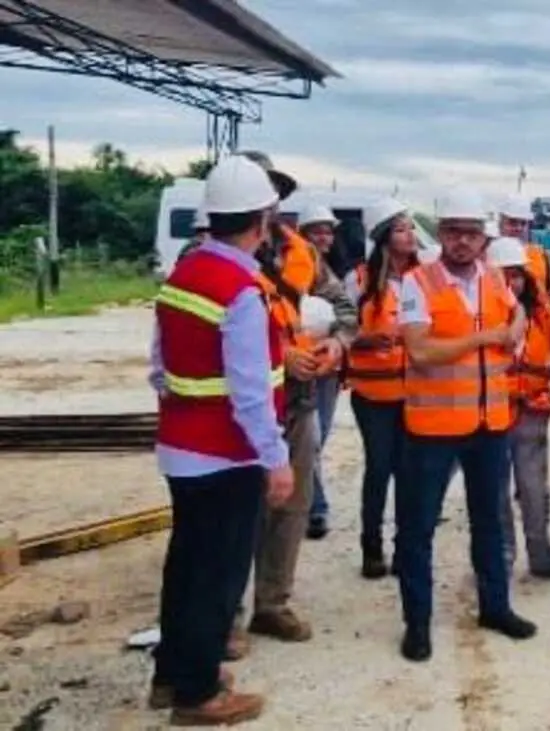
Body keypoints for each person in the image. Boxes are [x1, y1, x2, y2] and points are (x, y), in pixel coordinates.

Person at [147, 155, 291, 726]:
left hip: (180, 450)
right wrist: (276, 460)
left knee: (186, 566)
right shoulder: (241, 291)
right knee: (218, 574)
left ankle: (173, 671)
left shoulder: (182, 276)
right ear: (262, 220)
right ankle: (199, 694)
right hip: (225, 456)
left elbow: (159, 367)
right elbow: (251, 392)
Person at [396, 186, 538, 662]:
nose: (462, 241)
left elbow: (516, 315)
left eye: (471, 233)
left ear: (483, 239)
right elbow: (419, 349)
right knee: (417, 529)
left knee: (489, 525)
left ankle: (495, 607)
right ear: (441, 233)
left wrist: (515, 324)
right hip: (433, 428)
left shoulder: (494, 279)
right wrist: (488, 336)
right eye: (454, 232)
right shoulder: (419, 282)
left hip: (488, 423)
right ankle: (416, 624)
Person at [226, 150, 357, 657]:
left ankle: (271, 603)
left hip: (297, 403)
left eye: (275, 191)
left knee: (293, 506)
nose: (270, 201)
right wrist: (284, 353)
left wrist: (335, 346)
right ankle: (225, 615)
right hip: (236, 412)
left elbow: (343, 306)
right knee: (239, 512)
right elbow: (210, 331)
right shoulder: (209, 254)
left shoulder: (301, 252)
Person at [343, 198, 417, 578]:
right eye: (403, 228)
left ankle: (406, 548)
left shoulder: (426, 278)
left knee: (409, 472)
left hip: (415, 394)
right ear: (386, 237)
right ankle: (372, 546)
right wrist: (365, 341)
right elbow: (340, 330)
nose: (412, 234)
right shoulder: (358, 280)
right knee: (380, 468)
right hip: (372, 396)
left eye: (412, 227)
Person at [487, 236, 550, 578]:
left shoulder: (544, 315)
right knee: (497, 488)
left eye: (516, 274)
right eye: (502, 274)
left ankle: (540, 553)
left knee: (533, 487)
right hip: (492, 413)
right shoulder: (479, 315)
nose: (510, 282)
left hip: (532, 412)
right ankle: (502, 555)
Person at [298, 204, 343, 541]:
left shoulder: (330, 268)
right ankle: (315, 508)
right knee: (309, 439)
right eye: (317, 231)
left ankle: (312, 505)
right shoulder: (289, 264)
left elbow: (346, 310)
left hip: (326, 367)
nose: (324, 237)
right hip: (295, 365)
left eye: (328, 231)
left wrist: (339, 340)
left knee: (317, 438)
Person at [498, 192, 550, 296]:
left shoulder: (540, 255)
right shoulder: (489, 256)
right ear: (500, 223)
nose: (518, 228)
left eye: (523, 223)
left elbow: (548, 291)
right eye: (512, 222)